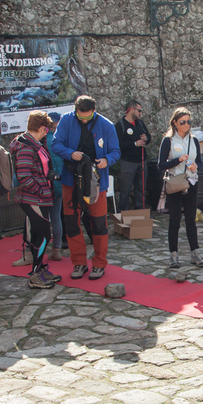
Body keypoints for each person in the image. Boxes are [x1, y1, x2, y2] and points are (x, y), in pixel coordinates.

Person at [50, 95, 120, 280]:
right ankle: (79, 263)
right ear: (75, 111)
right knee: (72, 223)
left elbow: (115, 151)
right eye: (80, 117)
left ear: (94, 111)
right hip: (71, 179)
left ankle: (99, 263)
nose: (84, 120)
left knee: (98, 223)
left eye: (88, 117)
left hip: (96, 181)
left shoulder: (106, 125)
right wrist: (70, 153)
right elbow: (56, 144)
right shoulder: (66, 120)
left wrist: (107, 160)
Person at [11, 111, 62, 289]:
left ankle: (39, 269)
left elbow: (36, 169)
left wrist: (48, 175)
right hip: (34, 198)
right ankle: (35, 274)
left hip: (38, 197)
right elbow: (24, 176)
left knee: (38, 235)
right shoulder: (26, 147)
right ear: (41, 128)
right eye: (46, 131)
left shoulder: (35, 144)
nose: (46, 134)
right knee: (43, 235)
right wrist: (41, 190)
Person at [158, 107, 203, 269]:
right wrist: (177, 160)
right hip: (175, 183)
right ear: (175, 123)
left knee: (191, 219)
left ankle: (195, 252)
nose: (186, 125)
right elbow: (161, 165)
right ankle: (174, 254)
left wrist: (195, 165)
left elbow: (200, 161)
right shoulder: (168, 141)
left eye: (188, 122)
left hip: (191, 182)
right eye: (183, 122)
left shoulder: (193, 140)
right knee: (174, 220)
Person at [114, 100, 151, 211]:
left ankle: (140, 211)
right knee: (126, 189)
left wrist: (146, 139)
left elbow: (148, 137)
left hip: (142, 160)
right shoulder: (120, 125)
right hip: (128, 162)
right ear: (131, 110)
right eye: (139, 110)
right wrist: (135, 144)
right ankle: (123, 213)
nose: (140, 113)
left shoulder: (140, 123)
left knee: (141, 189)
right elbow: (118, 145)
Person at [47, 112, 64, 261]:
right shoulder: (61, 139)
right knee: (56, 218)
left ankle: (38, 248)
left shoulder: (41, 141)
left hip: (46, 184)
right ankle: (56, 249)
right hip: (59, 183)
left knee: (45, 219)